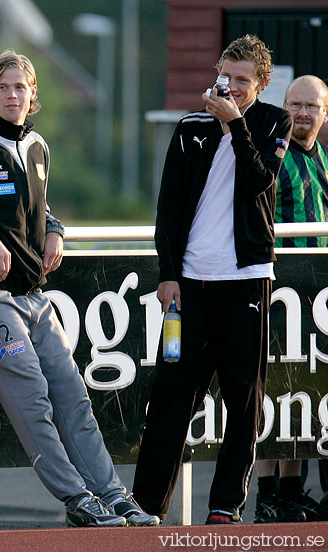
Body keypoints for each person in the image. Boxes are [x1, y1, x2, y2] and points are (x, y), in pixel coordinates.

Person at [0, 49, 159, 528]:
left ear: (33, 95)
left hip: (35, 295)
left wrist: (56, 229)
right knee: (34, 400)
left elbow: (34, 209)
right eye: (2, 86)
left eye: (20, 87)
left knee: (73, 395)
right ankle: (77, 499)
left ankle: (113, 494)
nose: (11, 95)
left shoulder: (39, 146)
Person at [132, 35, 293, 525]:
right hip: (190, 288)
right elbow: (170, 207)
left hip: (245, 280)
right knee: (171, 395)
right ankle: (143, 507)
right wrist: (168, 274)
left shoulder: (273, 122)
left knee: (244, 396)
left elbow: (258, 183)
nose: (231, 86)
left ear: (261, 85)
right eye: (227, 76)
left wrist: (236, 126)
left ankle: (225, 505)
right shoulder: (189, 128)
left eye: (243, 80)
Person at [254, 75, 328, 524]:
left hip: (317, 298)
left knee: (304, 391)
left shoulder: (323, 160)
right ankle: (268, 496)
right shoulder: (275, 156)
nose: (302, 113)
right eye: (294, 104)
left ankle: (291, 491)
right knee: (273, 392)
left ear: (325, 113)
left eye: (311, 106)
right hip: (278, 292)